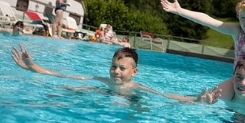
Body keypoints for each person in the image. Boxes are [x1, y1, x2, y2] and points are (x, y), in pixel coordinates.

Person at [10, 44, 159, 96]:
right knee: (71, 88)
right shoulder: (104, 81)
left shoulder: (135, 87)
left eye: (122, 68)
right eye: (113, 67)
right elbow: (65, 76)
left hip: (129, 102)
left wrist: (182, 99)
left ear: (134, 72)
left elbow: (162, 95)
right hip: (105, 95)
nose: (116, 71)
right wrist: (33, 67)